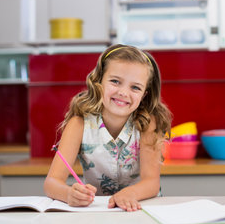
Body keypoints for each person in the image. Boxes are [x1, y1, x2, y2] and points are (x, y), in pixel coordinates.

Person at [44, 44, 172, 212]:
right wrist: (69, 194)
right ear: (99, 81)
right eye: (115, 81)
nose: (123, 92)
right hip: (97, 210)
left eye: (135, 87)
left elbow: (151, 183)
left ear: (144, 95)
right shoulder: (79, 123)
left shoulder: (148, 124)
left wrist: (129, 194)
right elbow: (51, 183)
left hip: (141, 210)